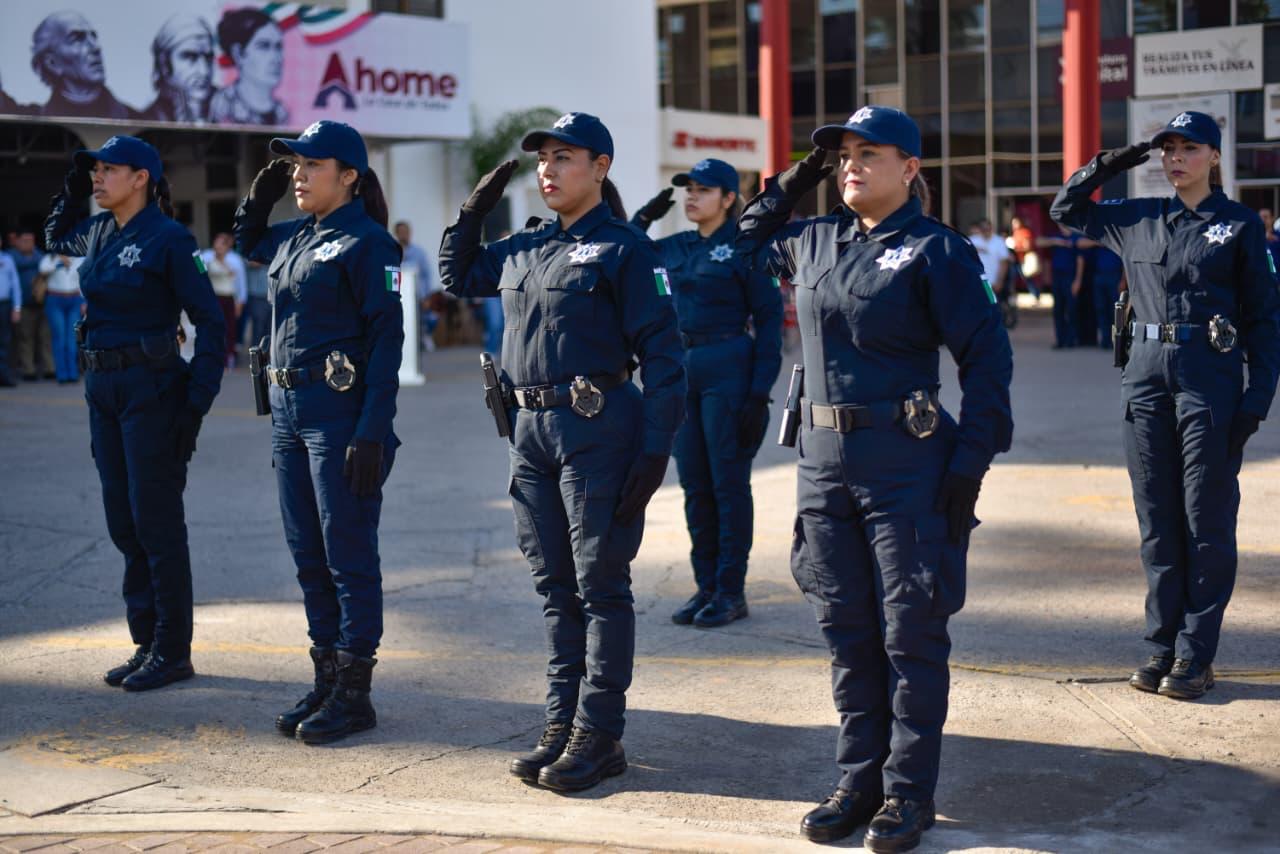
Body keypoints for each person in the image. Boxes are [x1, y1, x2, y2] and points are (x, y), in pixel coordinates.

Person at [736, 106, 1013, 851]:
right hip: (823, 465)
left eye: (869, 153)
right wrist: (800, 173)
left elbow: (988, 362)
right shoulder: (814, 240)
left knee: (910, 633)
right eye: (843, 155)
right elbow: (746, 239)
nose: (851, 165)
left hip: (906, 464)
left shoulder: (936, 250)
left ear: (910, 168)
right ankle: (857, 780)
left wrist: (969, 464)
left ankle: (907, 793)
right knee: (845, 629)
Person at [439, 112, 685, 792]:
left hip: (597, 430)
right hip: (529, 433)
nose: (547, 169)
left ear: (600, 167)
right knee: (554, 587)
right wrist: (472, 212)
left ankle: (599, 734)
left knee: (600, 584)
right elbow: (458, 275)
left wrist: (656, 449)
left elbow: (665, 359)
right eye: (542, 158)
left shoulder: (626, 250)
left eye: (564, 157)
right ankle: (562, 722)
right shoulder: (524, 247)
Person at [1052, 111, 1280, 701]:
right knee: (1157, 520)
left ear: (1214, 156)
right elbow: (1066, 208)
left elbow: (1264, 319)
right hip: (1146, 381)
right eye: (1168, 149)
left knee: (1205, 519)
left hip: (1209, 382)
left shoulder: (1237, 226)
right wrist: (1121, 158)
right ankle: (1161, 645)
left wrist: (1257, 399)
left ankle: (1195, 653)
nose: (1176, 158)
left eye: (1189, 148)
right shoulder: (1139, 218)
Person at [235, 121, 403, 744]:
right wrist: (263, 190)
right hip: (287, 411)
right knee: (308, 553)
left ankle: (355, 694)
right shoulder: (295, 236)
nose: (299, 176)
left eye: (313, 165)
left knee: (347, 553)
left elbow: (388, 342)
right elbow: (248, 239)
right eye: (295, 166)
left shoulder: (369, 243)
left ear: (350, 176)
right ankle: (327, 677)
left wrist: (372, 431)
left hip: (339, 414)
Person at [44, 135, 225, 690]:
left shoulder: (170, 239)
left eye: (108, 170)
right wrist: (70, 190)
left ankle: (173, 650)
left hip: (151, 389)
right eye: (93, 171)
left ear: (141, 178)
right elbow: (55, 237)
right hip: (103, 388)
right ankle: (146, 642)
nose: (97, 178)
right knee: (123, 521)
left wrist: (195, 402)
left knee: (156, 522)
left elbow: (210, 321)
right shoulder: (99, 230)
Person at [631, 158, 783, 627]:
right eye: (688, 189)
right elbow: (625, 254)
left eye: (703, 190)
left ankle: (730, 590)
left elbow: (770, 323)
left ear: (728, 198)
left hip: (729, 367)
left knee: (728, 484)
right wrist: (642, 219)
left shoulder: (746, 247)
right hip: (683, 370)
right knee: (694, 485)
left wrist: (758, 393)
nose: (691, 197)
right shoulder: (675, 246)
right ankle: (706, 586)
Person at [31, 11, 137, 119]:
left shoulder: (133, 119)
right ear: (52, 63)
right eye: (77, 39)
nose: (96, 47)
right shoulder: (34, 120)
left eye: (93, 36)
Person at [210, 8, 287, 126]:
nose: (276, 58)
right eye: (264, 46)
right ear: (238, 53)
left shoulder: (282, 113)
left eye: (278, 47)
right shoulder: (220, 107)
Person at [141, 14, 216, 123]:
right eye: (190, 57)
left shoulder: (228, 107)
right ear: (164, 63)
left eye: (208, 58)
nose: (204, 71)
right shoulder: (149, 119)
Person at [8, 230, 53, 380]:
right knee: (25, 338)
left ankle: (49, 368)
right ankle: (28, 370)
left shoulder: (39, 255)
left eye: (31, 241)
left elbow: (47, 264)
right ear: (17, 242)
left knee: (45, 337)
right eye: (25, 241)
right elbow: (22, 264)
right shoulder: (11, 256)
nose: (29, 244)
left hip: (42, 303)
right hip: (24, 305)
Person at [392, 221, 440, 352]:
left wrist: (428, 296)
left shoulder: (419, 252)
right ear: (396, 233)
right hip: (399, 296)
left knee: (431, 318)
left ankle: (424, 335)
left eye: (406, 232)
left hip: (419, 295)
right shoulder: (391, 251)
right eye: (401, 232)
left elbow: (427, 275)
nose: (404, 235)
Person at [200, 232, 246, 368]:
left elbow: (239, 281)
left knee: (230, 329)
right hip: (214, 297)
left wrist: (240, 301)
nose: (219, 247)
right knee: (214, 328)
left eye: (222, 244)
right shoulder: (207, 256)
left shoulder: (234, 259)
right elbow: (199, 270)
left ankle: (228, 357)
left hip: (229, 298)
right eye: (217, 243)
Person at [37, 253, 85, 383]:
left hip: (74, 299)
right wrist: (58, 263)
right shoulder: (50, 258)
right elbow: (43, 270)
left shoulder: (79, 259)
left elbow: (83, 279)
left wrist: (84, 301)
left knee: (72, 338)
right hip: (55, 299)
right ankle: (62, 374)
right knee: (59, 337)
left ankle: (72, 373)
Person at [1040, 224, 1084, 349]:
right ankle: (1060, 339)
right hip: (1057, 277)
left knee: (1071, 309)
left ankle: (1071, 339)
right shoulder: (1056, 237)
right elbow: (1038, 242)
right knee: (1058, 310)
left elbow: (1080, 261)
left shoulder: (1075, 237)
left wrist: (1077, 280)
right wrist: (1056, 241)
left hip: (1070, 277)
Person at [1090, 243, 1125, 350]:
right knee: (1101, 309)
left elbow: (1125, 262)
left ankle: (1116, 340)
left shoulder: (1117, 242)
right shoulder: (1099, 240)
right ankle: (1105, 339)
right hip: (1099, 275)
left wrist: (1123, 280)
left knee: (1114, 311)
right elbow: (1080, 243)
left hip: (1114, 276)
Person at [0, 249, 19, 387]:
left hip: (4, 304)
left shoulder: (7, 259)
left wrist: (16, 307)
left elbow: (15, 283)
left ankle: (4, 376)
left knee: (5, 341)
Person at [1258, 207, 1280, 278]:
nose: (1263, 220)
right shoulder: (1253, 237)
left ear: (1272, 218)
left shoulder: (1278, 236)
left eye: (1266, 217)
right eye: (1260, 217)